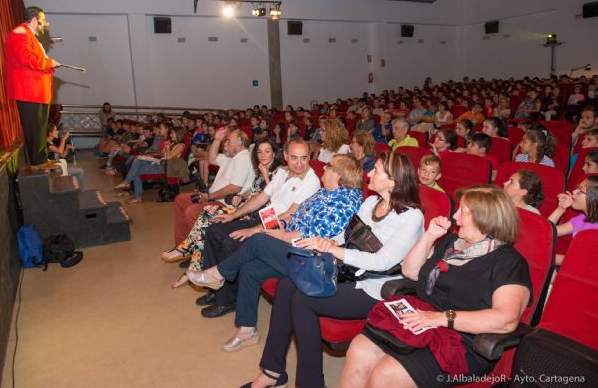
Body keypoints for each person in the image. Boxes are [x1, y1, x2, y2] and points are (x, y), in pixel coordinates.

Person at [240, 152, 425, 388]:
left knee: (303, 300)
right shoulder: (371, 203)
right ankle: (271, 372)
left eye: (376, 171)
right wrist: (325, 241)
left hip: (375, 288)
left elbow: (383, 262)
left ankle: (310, 384)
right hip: (348, 273)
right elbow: (346, 235)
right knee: (288, 284)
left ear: (393, 181)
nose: (369, 173)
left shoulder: (411, 217)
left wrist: (337, 252)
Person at [342, 185, 531, 388]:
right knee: (359, 348)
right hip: (421, 320)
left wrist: (440, 318)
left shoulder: (509, 262)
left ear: (486, 218)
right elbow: (410, 271)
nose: (456, 217)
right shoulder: (451, 242)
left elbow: (506, 320)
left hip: (463, 341)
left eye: (464, 212)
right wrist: (430, 236)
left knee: (386, 373)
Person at [187, 154, 364, 352]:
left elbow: (313, 234)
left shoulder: (345, 200)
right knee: (250, 268)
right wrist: (276, 227)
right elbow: (296, 217)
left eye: (329, 167)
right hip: (295, 246)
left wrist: (278, 235)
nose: (323, 168)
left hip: (312, 258)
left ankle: (217, 273)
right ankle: (247, 330)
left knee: (258, 242)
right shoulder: (325, 193)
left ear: (340, 175)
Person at [197, 138, 320, 318]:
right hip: (265, 218)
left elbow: (289, 214)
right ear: (285, 156)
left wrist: (255, 229)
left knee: (231, 241)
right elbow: (262, 198)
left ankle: (228, 299)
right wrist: (233, 215)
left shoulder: (311, 181)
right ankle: (215, 289)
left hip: (278, 227)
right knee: (215, 231)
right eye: (294, 158)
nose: (300, 163)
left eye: (304, 158)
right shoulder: (282, 172)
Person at [161, 138, 281, 288]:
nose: (263, 155)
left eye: (267, 151)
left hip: (259, 217)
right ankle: (192, 260)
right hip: (245, 209)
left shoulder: (279, 172)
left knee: (208, 217)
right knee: (208, 212)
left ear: (275, 154)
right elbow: (252, 193)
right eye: (259, 152)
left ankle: (187, 254)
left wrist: (265, 176)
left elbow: (276, 199)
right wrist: (241, 197)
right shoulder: (260, 170)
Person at [173, 128, 256, 245]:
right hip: (214, 198)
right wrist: (217, 140)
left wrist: (209, 197)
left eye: (228, 141)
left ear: (240, 144)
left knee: (191, 212)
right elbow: (212, 159)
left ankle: (198, 252)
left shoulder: (244, 158)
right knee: (180, 200)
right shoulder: (231, 157)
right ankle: (182, 245)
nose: (225, 143)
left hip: (225, 203)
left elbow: (234, 188)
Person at [5, 6, 61, 166]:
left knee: (40, 130)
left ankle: (41, 160)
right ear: (35, 20)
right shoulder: (20, 34)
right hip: (28, 91)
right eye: (43, 21)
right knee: (34, 131)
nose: (46, 25)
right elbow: (27, 59)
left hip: (37, 91)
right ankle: (38, 164)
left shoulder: (30, 36)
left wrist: (50, 65)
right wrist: (49, 62)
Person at [113, 124, 185, 203]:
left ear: (178, 134)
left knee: (137, 171)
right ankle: (129, 186)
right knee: (137, 159)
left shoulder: (180, 145)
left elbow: (168, 158)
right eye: (171, 133)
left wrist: (167, 148)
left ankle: (131, 189)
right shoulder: (172, 143)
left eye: (172, 133)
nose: (170, 135)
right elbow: (162, 153)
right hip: (160, 162)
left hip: (166, 167)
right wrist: (164, 148)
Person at [548, 175, 598, 265]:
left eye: (580, 191)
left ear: (594, 198)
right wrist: (561, 209)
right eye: (577, 188)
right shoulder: (583, 219)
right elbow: (546, 232)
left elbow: (580, 261)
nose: (574, 192)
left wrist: (544, 257)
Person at [46, 124, 85, 189]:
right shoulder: (47, 144)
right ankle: (79, 191)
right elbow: (60, 151)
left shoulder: (52, 142)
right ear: (50, 133)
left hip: (58, 167)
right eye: (55, 130)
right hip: (54, 170)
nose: (57, 132)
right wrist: (64, 138)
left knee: (80, 171)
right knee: (80, 171)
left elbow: (62, 155)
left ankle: (77, 190)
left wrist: (67, 148)